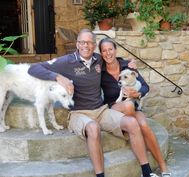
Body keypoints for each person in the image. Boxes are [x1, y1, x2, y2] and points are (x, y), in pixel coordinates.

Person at [28, 29, 159, 177]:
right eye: (82, 42)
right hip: (79, 113)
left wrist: (129, 63)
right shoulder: (66, 61)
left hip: (101, 110)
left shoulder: (98, 59)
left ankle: (146, 173)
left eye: (90, 43)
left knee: (132, 123)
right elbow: (34, 68)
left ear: (94, 45)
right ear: (77, 44)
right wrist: (58, 77)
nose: (86, 46)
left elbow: (113, 58)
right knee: (93, 128)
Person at [99, 38, 171, 177]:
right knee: (127, 104)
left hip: (132, 106)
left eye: (110, 49)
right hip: (114, 107)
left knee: (143, 124)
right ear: (101, 53)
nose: (108, 53)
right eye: (104, 50)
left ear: (115, 50)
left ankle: (163, 167)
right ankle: (132, 128)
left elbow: (145, 86)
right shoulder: (99, 71)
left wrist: (138, 93)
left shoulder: (127, 65)